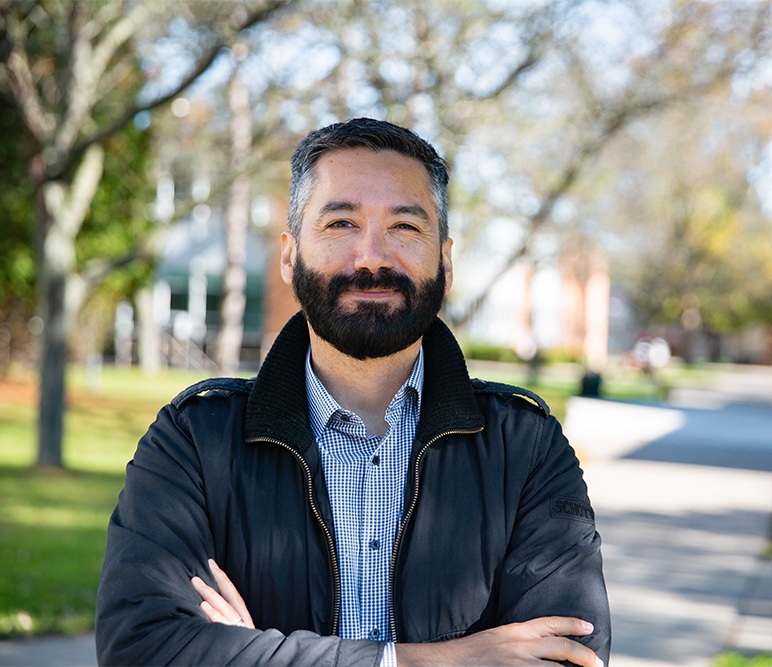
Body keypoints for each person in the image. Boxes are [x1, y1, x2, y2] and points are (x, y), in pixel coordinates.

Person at [96, 118, 611, 666]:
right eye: (341, 222)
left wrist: (254, 653)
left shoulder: (524, 445)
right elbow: (143, 648)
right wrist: (435, 660)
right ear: (290, 257)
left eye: (405, 228)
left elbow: (568, 657)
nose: (372, 257)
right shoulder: (195, 440)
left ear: (446, 259)